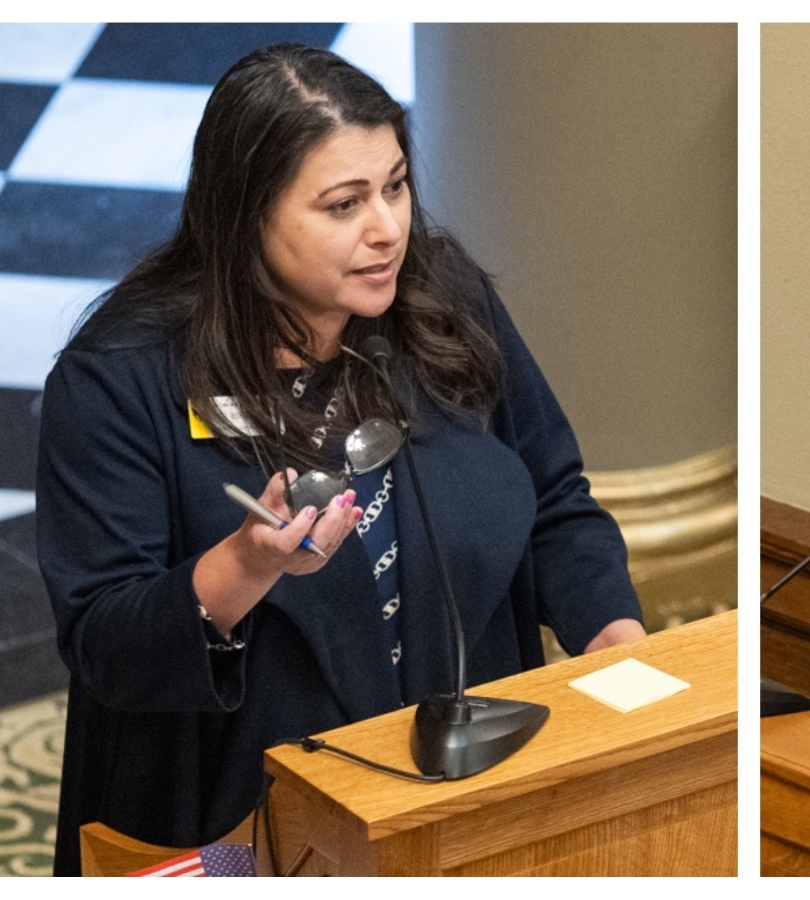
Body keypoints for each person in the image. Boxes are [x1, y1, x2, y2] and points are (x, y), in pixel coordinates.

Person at [36, 43, 645, 876]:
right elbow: (105, 642)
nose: (387, 228)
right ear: (244, 216)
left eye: (395, 186)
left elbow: (554, 497)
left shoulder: (442, 298)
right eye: (342, 204)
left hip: (465, 791)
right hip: (246, 835)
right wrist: (243, 567)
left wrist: (612, 634)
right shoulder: (120, 377)